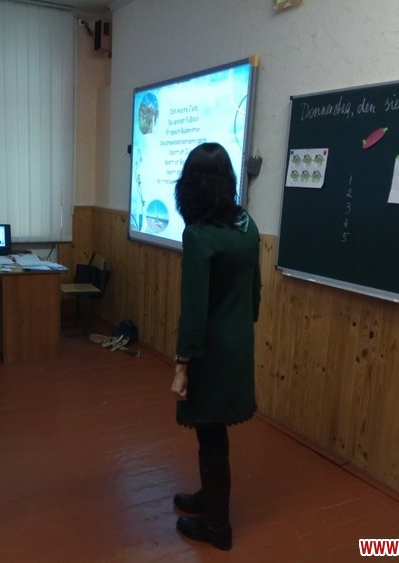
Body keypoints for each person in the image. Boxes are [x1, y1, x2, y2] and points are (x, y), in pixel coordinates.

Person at [170, 142, 261, 551]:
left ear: (191, 186)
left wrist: (181, 364)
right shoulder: (247, 225)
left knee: (210, 435)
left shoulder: (198, 235)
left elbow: (194, 309)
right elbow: (255, 291)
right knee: (214, 431)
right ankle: (209, 498)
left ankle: (217, 525)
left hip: (209, 350)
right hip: (238, 343)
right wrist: (241, 324)